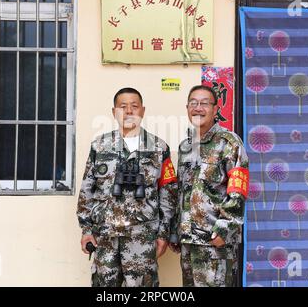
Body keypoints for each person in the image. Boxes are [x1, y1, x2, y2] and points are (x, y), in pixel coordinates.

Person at [77, 87, 178, 287]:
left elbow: (168, 193)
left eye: (134, 106)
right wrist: (86, 229)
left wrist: (163, 233)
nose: (129, 111)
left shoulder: (159, 148)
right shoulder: (100, 146)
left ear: (143, 111)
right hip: (105, 236)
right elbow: (87, 190)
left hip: (142, 237)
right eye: (123, 107)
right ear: (114, 112)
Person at [169, 85, 249, 287]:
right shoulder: (185, 146)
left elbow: (238, 189)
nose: (198, 108)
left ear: (215, 109)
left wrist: (225, 229)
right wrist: (176, 231)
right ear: (187, 107)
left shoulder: (229, 142)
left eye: (204, 103)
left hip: (215, 242)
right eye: (193, 103)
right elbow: (182, 191)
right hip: (188, 241)